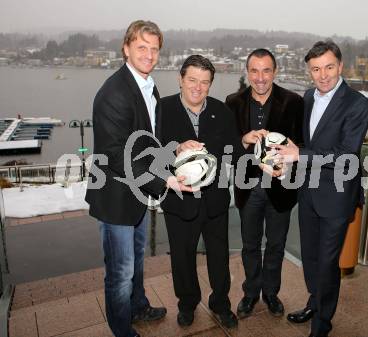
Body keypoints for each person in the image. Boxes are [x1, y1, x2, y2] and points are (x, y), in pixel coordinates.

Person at [85, 20, 192, 337]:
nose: (149, 54)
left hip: (137, 192)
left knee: (136, 262)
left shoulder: (149, 86)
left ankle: (139, 306)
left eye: (154, 48)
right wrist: (165, 181)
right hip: (116, 196)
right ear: (126, 48)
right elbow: (117, 156)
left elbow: (146, 142)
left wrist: (173, 150)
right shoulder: (113, 93)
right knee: (120, 270)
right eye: (142, 47)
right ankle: (122, 329)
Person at [274, 40, 368, 337]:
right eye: (316, 69)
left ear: (340, 66)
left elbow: (346, 154)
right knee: (311, 258)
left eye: (329, 67)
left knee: (328, 264)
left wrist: (298, 155)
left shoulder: (357, 103)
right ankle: (315, 303)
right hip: (309, 192)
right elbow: (309, 144)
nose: (323, 74)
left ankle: (322, 324)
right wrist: (291, 152)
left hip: (338, 197)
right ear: (309, 72)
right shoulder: (308, 97)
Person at [160, 55, 264, 329]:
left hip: (215, 201)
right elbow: (149, 151)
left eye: (204, 82)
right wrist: (175, 147)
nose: (198, 87)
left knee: (219, 258)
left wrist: (248, 142)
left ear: (210, 85)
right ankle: (187, 304)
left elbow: (235, 152)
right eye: (192, 80)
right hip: (178, 200)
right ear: (181, 79)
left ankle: (221, 304)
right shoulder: (162, 109)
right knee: (182, 259)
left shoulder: (221, 110)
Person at [225, 49, 303, 318]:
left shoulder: (293, 101)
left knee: (276, 245)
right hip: (247, 188)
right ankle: (250, 294)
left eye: (266, 70)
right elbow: (226, 147)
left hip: (282, 187)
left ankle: (271, 293)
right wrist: (243, 140)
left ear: (275, 71)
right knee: (249, 245)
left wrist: (289, 157)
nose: (260, 77)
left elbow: (302, 145)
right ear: (247, 72)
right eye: (254, 71)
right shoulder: (232, 102)